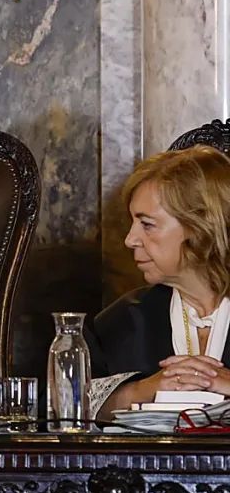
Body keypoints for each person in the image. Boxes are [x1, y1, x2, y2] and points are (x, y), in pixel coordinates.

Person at [90, 145, 230, 419]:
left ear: (200, 226)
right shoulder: (124, 320)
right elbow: (64, 408)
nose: (130, 240)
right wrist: (140, 391)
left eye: (147, 224)